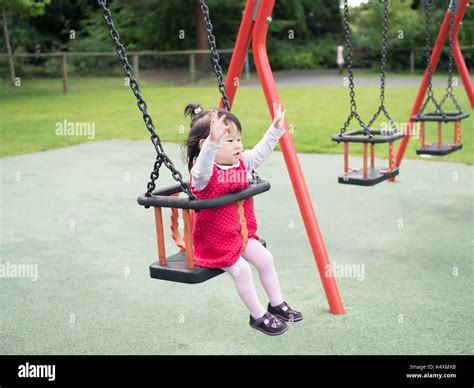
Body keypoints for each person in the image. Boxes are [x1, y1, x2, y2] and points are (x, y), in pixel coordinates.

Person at [183, 102, 303, 336]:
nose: (238, 145)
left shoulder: (240, 163)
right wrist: (212, 144)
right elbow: (203, 168)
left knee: (266, 259)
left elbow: (260, 152)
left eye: (238, 139)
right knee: (243, 271)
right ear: (206, 145)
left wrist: (275, 129)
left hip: (241, 234)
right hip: (214, 243)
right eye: (229, 141)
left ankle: (276, 303)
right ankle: (258, 316)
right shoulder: (202, 174)